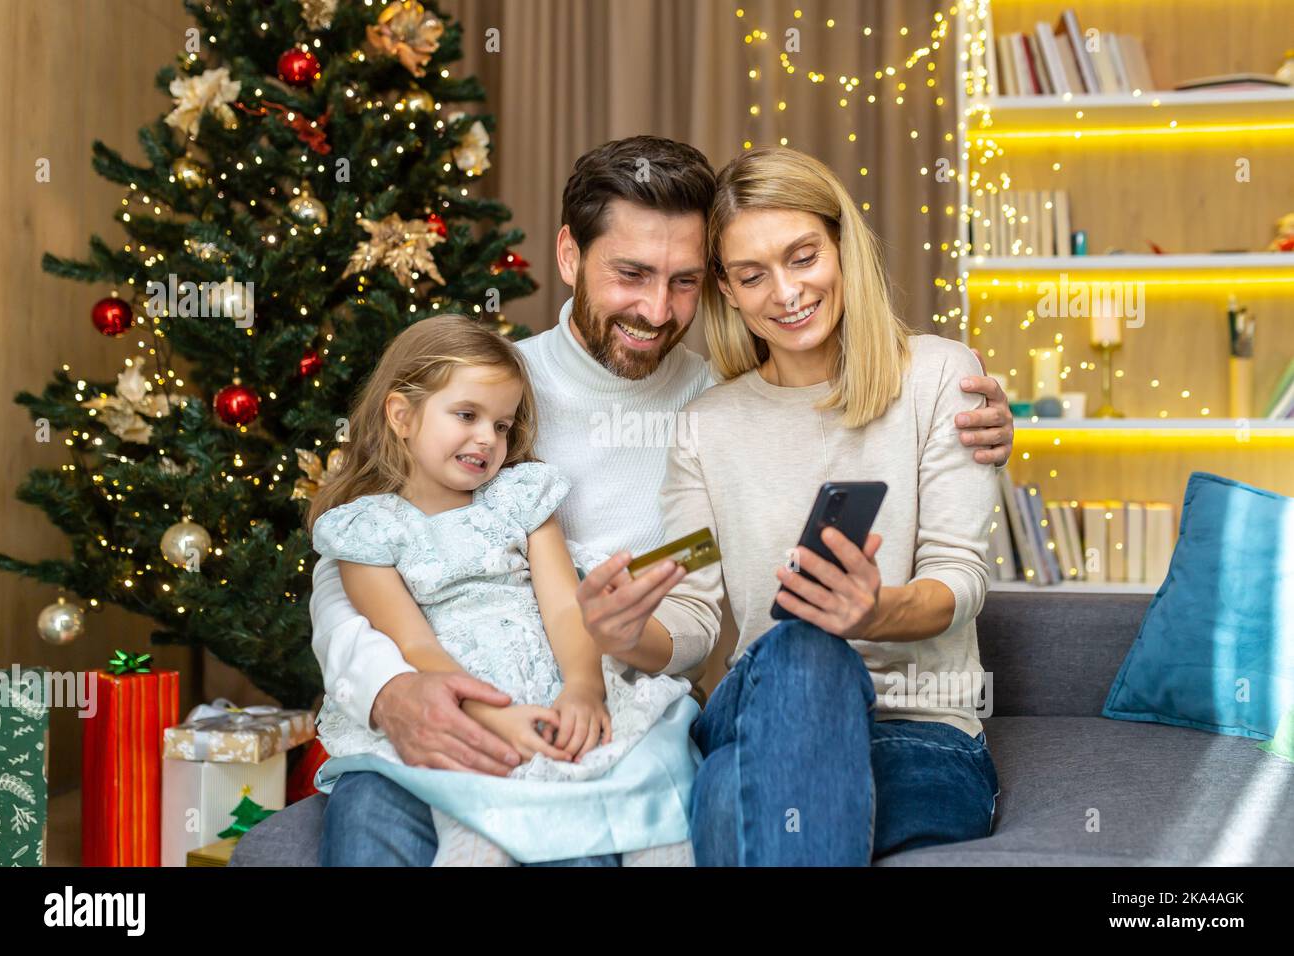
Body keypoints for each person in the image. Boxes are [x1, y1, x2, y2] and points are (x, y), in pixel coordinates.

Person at [312, 135, 1015, 866]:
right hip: (525, 697)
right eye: (632, 274)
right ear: (568, 256)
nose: (656, 308)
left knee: (806, 655)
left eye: (683, 281)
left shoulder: (711, 396)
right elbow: (361, 549)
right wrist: (388, 688)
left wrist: (874, 606)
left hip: (680, 720)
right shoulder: (493, 394)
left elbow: (947, 568)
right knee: (372, 812)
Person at [582, 145, 1001, 865]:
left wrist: (875, 613)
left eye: (803, 257)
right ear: (728, 289)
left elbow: (959, 578)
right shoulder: (706, 425)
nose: (785, 292)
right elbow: (691, 613)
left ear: (843, 247)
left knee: (728, 801)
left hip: (920, 733)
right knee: (807, 648)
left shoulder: (941, 377)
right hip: (762, 709)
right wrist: (625, 635)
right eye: (752, 275)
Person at [307, 314, 696, 866]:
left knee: (653, 782)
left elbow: (564, 606)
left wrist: (584, 686)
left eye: (503, 425)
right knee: (480, 830)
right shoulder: (367, 532)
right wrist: (490, 719)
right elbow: (417, 648)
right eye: (467, 415)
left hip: (551, 685)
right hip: (457, 704)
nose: (488, 438)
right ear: (402, 414)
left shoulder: (520, 500)